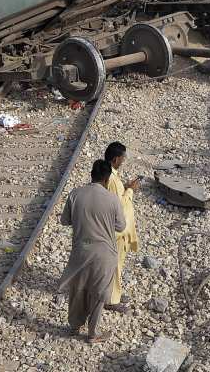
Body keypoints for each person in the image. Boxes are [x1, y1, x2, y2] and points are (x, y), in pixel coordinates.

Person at [58, 160, 126, 343]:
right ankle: (92, 334)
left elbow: (65, 221)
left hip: (82, 249)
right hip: (104, 253)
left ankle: (73, 326)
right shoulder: (112, 199)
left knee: (78, 289)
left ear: (91, 174)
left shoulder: (75, 194)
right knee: (98, 294)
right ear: (107, 178)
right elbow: (121, 226)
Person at [103, 142, 140, 312]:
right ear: (116, 159)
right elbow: (118, 205)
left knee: (118, 263)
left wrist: (124, 187)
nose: (124, 161)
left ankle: (115, 293)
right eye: (123, 158)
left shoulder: (111, 177)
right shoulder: (111, 179)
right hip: (117, 231)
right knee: (115, 264)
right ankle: (111, 299)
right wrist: (130, 190)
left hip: (118, 230)